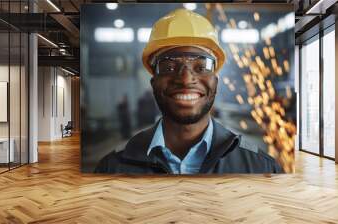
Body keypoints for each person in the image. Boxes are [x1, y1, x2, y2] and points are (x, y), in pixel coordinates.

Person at [95, 8, 283, 174]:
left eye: (201, 67)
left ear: (215, 83)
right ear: (154, 83)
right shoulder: (112, 167)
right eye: (168, 67)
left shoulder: (261, 167)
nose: (185, 79)